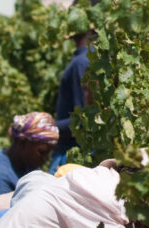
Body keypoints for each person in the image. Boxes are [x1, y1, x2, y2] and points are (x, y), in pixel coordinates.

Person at [0, 112, 58, 206]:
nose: (45, 159)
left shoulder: (25, 165)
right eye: (42, 152)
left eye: (48, 153)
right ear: (22, 143)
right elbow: (0, 218)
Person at [50, 29, 92, 173]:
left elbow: (82, 119)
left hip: (69, 156)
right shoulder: (88, 59)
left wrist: (47, 129)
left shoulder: (81, 62)